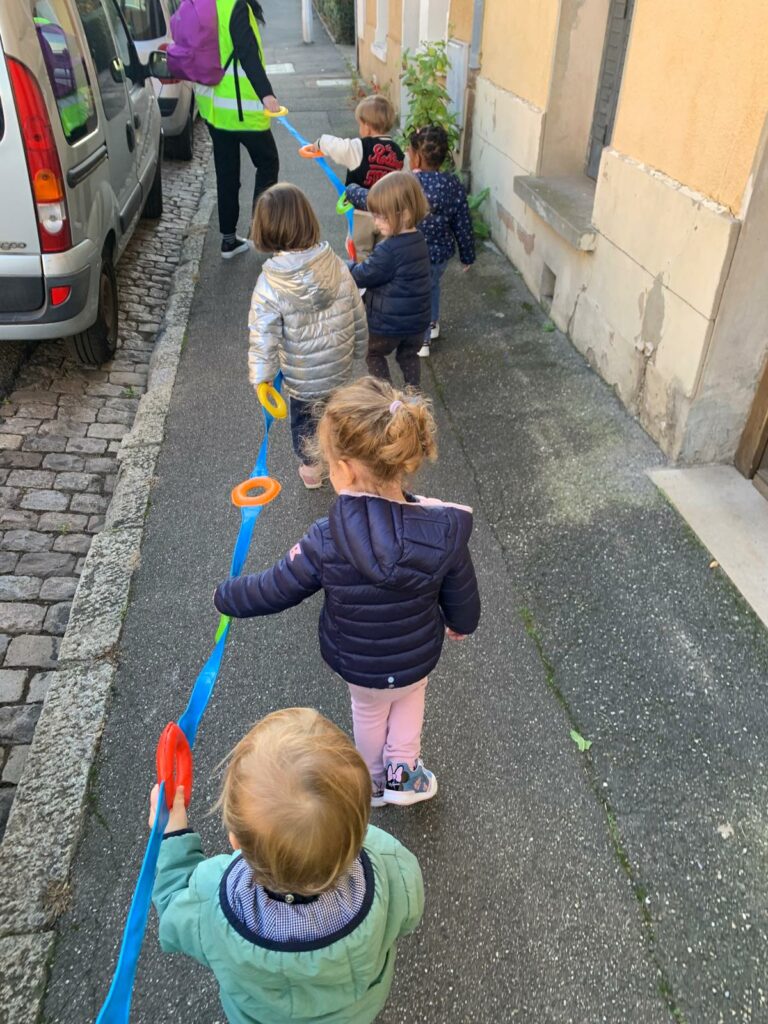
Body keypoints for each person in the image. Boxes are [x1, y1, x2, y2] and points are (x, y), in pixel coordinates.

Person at [214, 377, 481, 806]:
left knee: (369, 711)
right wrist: (459, 624)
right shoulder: (443, 529)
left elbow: (276, 587)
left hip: (357, 662)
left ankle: (371, 781)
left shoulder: (326, 538)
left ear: (346, 469)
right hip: (415, 656)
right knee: (411, 698)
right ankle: (403, 771)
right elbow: (463, 598)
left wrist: (227, 597)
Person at [150, 707, 424, 1024]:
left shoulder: (213, 898)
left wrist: (174, 832)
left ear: (235, 842)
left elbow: (173, 907)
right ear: (359, 825)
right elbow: (407, 917)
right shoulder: (387, 863)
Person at [248, 183, 367, 489]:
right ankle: (339, 462)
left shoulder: (270, 283)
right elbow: (357, 310)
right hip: (339, 367)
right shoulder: (337, 265)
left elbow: (263, 337)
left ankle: (313, 468)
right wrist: (359, 350)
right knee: (337, 415)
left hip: (302, 377)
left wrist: (262, 379)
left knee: (305, 422)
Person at [348, 124, 476, 358]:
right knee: (432, 287)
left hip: (408, 253)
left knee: (415, 294)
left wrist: (352, 191)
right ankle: (432, 324)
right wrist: (467, 255)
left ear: (416, 156)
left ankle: (422, 340)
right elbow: (463, 220)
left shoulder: (406, 184)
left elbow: (376, 200)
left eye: (408, 152)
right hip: (439, 255)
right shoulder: (452, 184)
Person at [195, 0, 282, 259]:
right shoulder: (236, 5)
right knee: (268, 162)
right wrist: (266, 94)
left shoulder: (204, 5)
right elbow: (247, 54)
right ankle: (261, 231)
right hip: (241, 109)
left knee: (227, 173)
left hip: (213, 108)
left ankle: (228, 241)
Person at [346, 171, 431, 388]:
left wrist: (345, 266)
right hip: (417, 325)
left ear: (402, 214)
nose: (375, 223)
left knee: (373, 353)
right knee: (409, 356)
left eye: (380, 216)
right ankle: (414, 394)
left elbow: (362, 275)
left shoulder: (389, 250)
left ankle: (386, 397)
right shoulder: (419, 239)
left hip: (387, 326)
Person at [315, 95, 404, 260]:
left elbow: (338, 146)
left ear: (367, 127)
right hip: (388, 214)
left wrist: (320, 143)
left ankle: (362, 282)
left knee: (360, 251)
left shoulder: (359, 147)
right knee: (384, 253)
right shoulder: (399, 152)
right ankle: (381, 277)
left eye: (360, 124)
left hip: (361, 214)